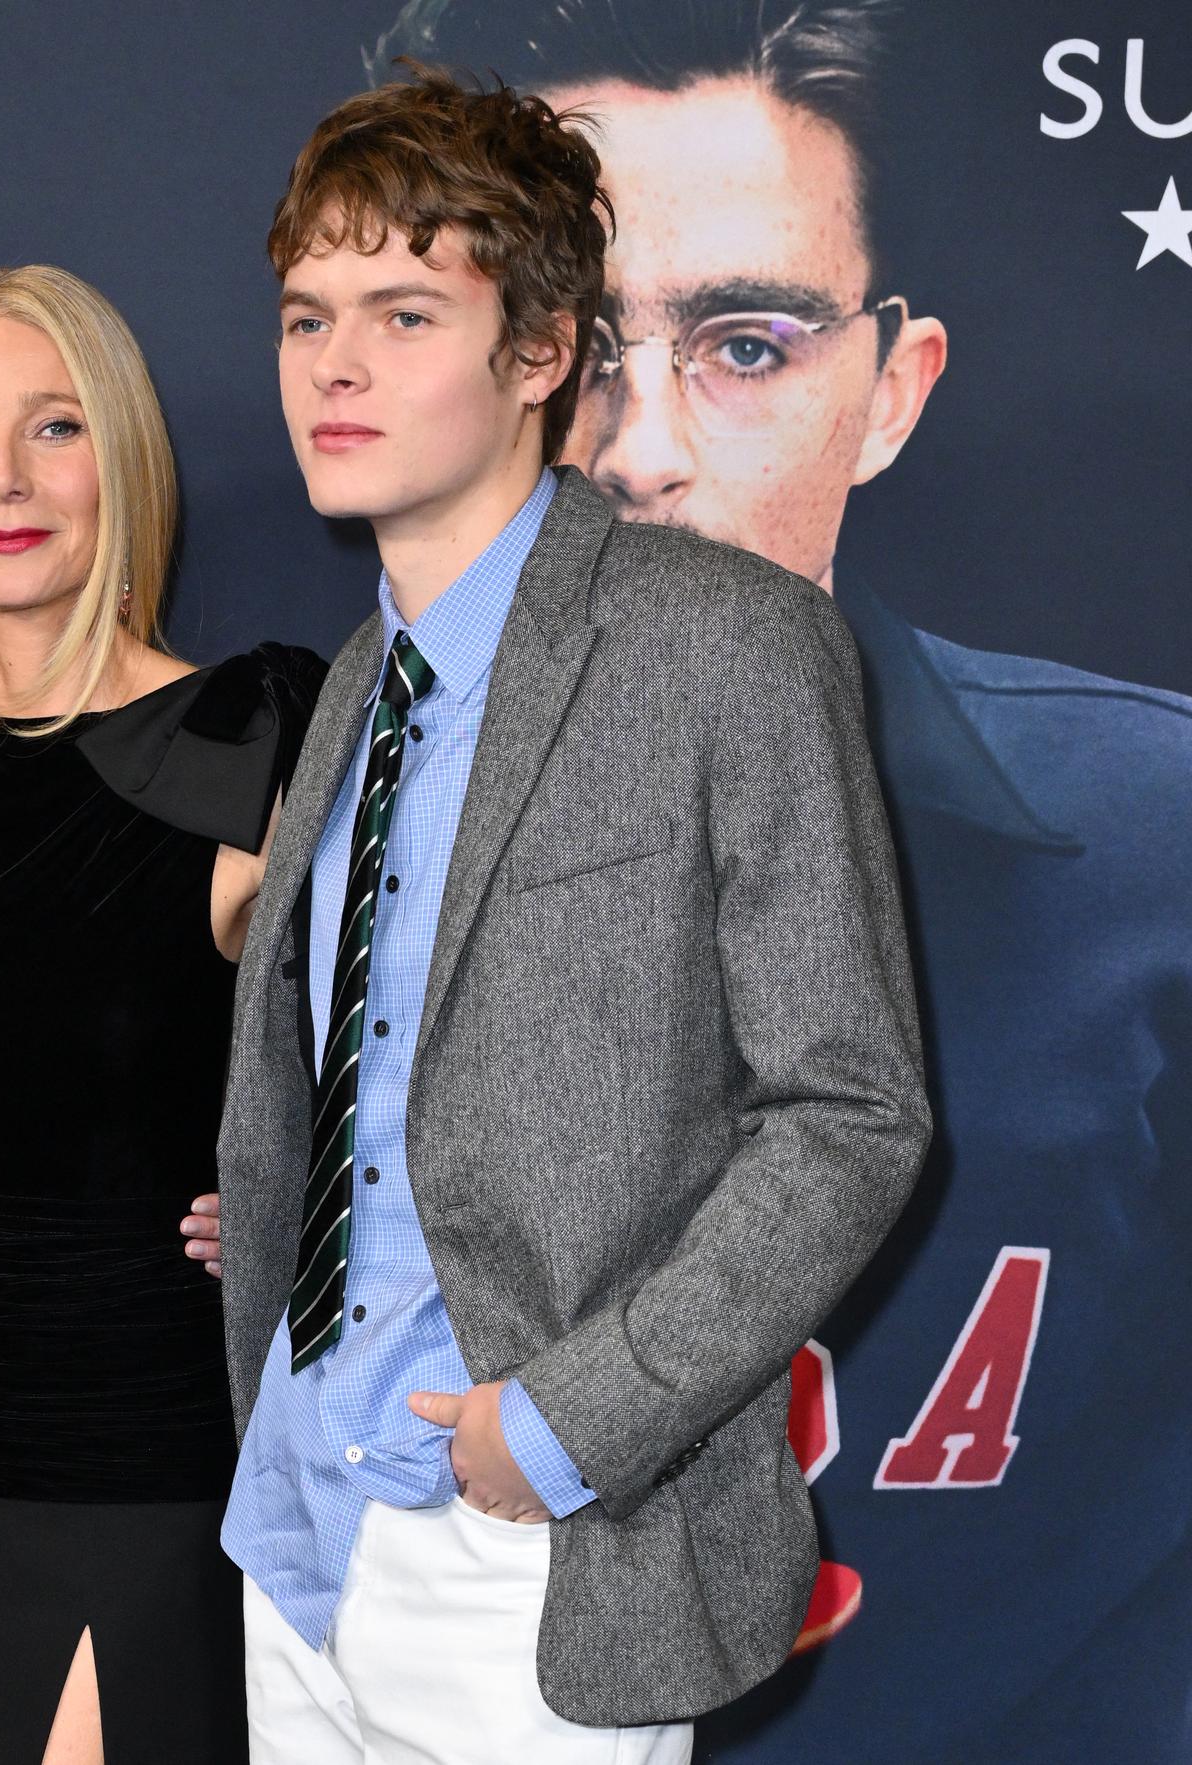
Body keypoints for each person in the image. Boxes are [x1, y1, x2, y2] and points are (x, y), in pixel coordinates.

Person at [358, 5, 1192, 1758]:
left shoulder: (1179, 850)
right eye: (552, 338)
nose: (636, 446)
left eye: (746, 343)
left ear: (890, 393)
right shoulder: (312, 849)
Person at [214, 66, 930, 1764]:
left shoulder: (729, 643)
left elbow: (850, 1110)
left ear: (543, 354)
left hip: (530, 1557)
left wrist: (561, 1423)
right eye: (309, 315)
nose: (336, 362)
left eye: (403, 311)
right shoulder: (346, 695)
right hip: (299, 1542)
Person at [0, 264, 324, 1763]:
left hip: (138, 1453)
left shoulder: (254, 744)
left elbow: (428, 1045)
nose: (8, 480)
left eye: (55, 428)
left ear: (125, 461)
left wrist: (299, 1198)